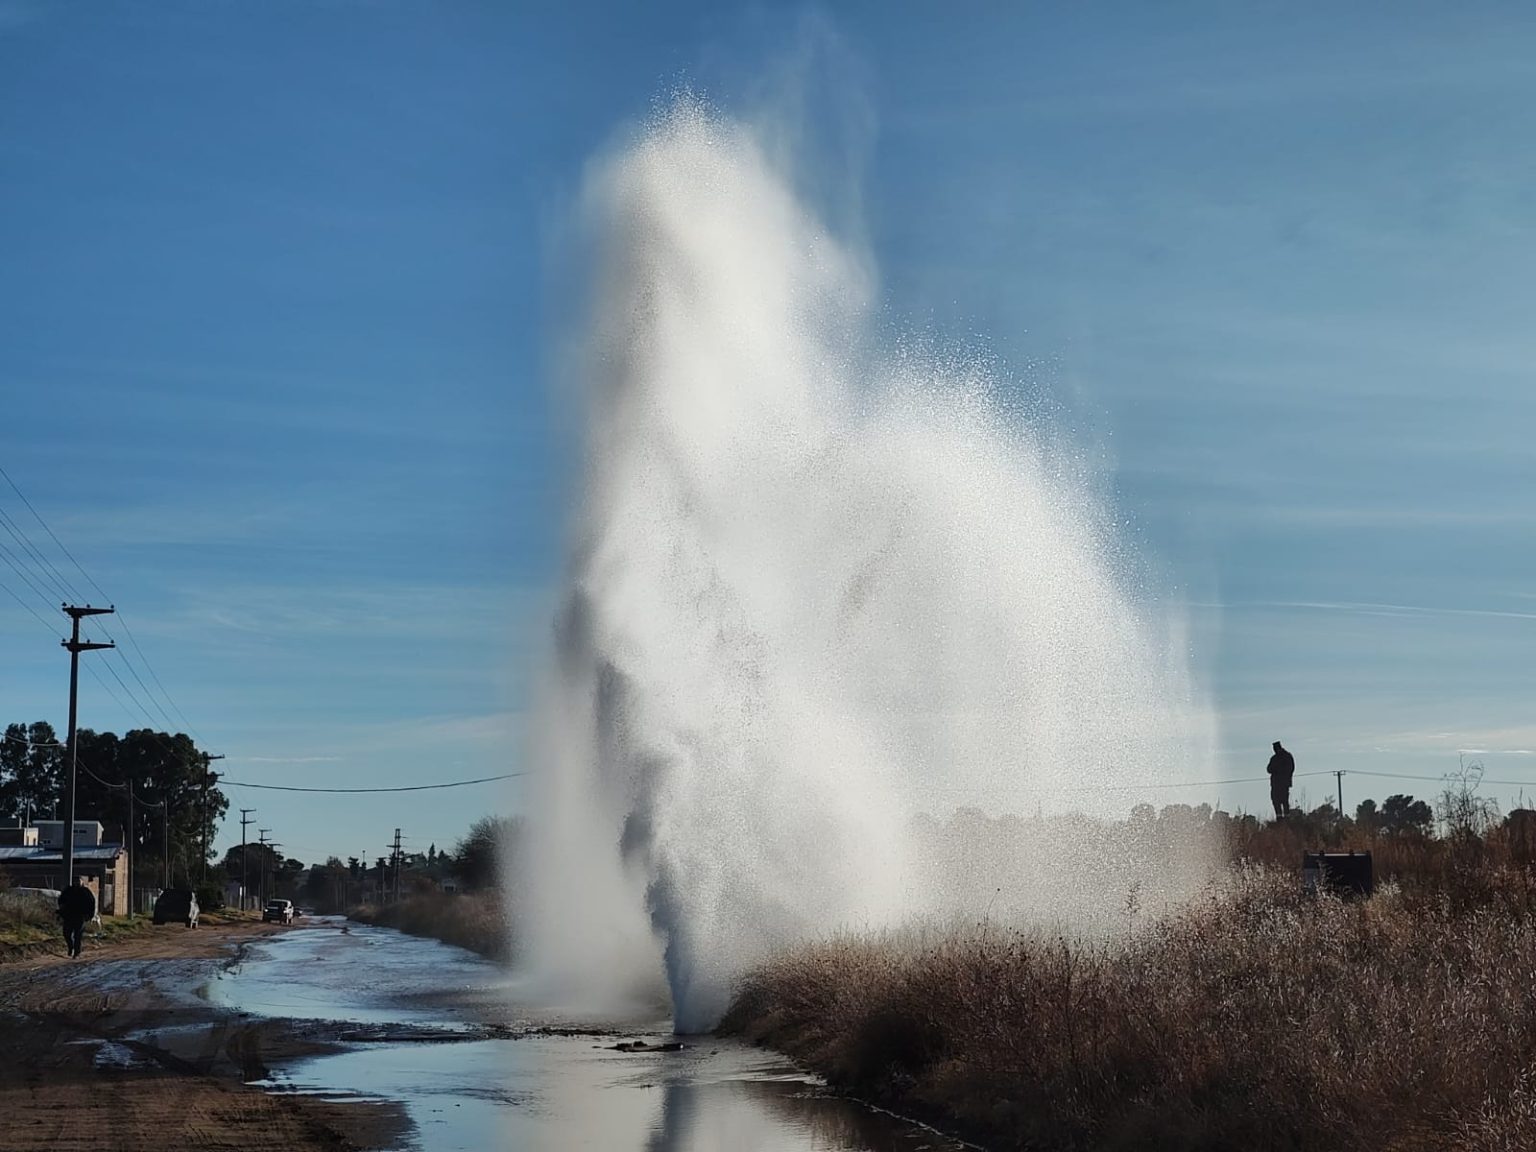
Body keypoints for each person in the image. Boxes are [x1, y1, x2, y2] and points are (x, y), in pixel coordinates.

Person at [58, 878, 96, 958]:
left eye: (79, 881)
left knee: (78, 935)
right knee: (66, 934)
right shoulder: (68, 891)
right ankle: (70, 947)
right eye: (75, 881)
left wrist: (90, 915)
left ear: (82, 882)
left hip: (80, 916)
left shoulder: (85, 892)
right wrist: (61, 910)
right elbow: (61, 900)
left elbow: (91, 903)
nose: (77, 883)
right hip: (68, 916)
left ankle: (77, 952)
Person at [1267, 741, 1295, 819]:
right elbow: (1269, 769)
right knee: (1275, 800)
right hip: (1275, 784)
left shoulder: (1287, 756)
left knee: (1284, 801)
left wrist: (1279, 771)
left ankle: (1286, 818)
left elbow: (1290, 768)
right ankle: (1279, 817)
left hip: (1283, 784)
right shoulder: (1274, 758)